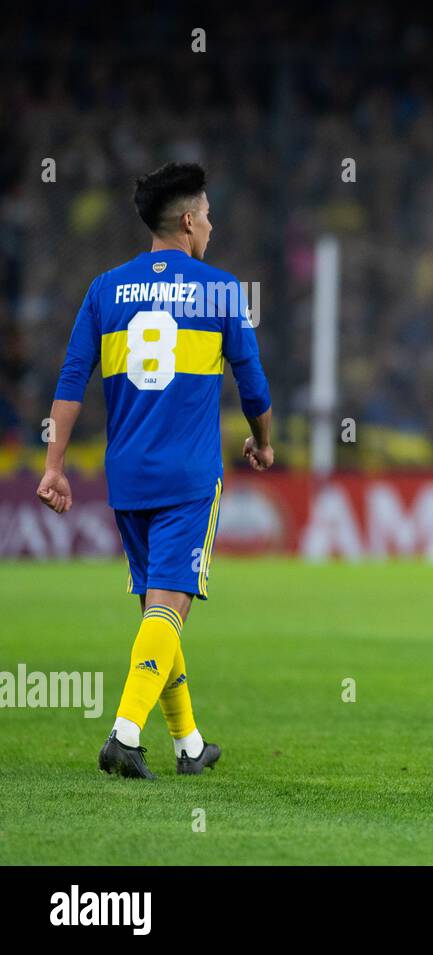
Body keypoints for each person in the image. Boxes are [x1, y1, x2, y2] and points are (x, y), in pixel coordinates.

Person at [38, 162, 274, 777]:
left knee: (157, 611)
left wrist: (54, 466)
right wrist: (263, 441)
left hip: (128, 478)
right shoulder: (223, 291)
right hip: (189, 479)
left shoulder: (104, 289)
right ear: (190, 220)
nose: (213, 227)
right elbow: (253, 385)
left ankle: (188, 745)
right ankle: (123, 734)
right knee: (170, 609)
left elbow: (71, 380)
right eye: (209, 215)